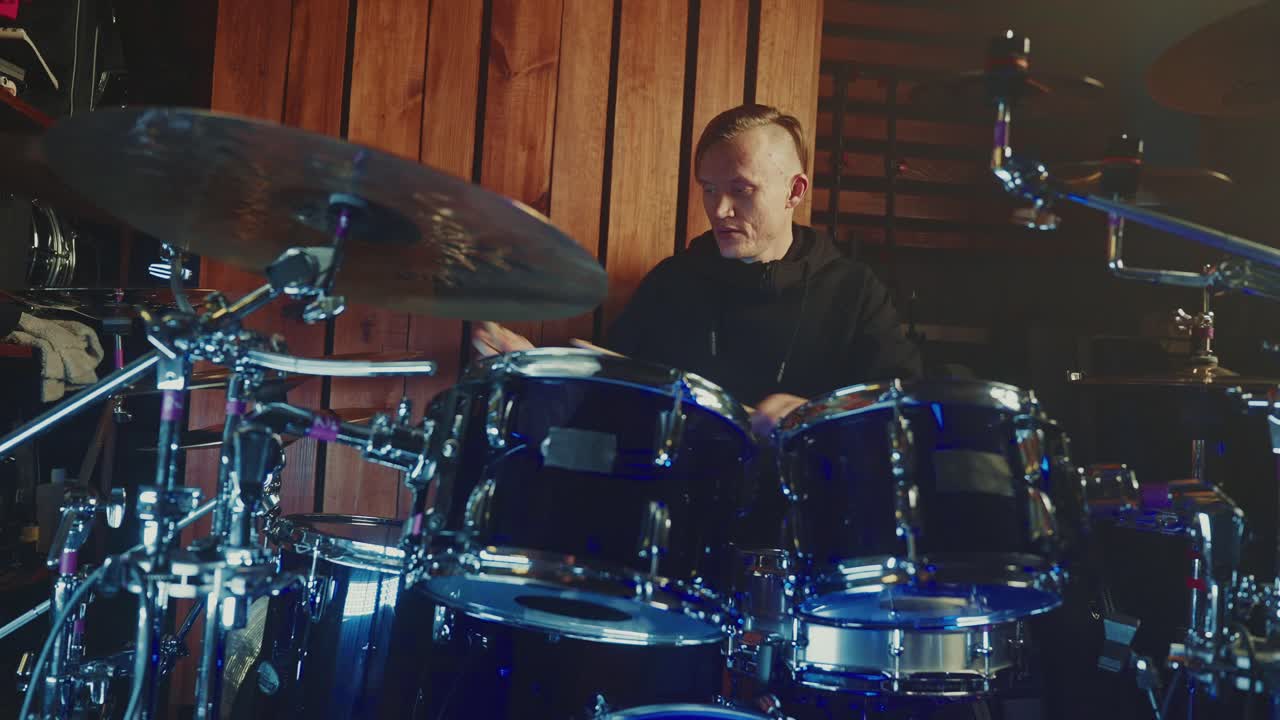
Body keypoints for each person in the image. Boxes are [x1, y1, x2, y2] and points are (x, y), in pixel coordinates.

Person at [474, 103, 920, 434]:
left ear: (794, 191)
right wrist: (538, 371)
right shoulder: (673, 283)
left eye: (741, 189)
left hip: (804, 526)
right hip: (681, 520)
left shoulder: (854, 291)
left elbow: (907, 412)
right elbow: (607, 400)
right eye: (709, 189)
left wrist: (817, 416)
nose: (719, 209)